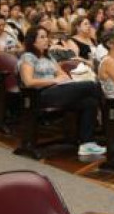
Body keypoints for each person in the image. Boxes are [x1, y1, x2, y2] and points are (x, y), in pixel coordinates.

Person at [19, 26, 105, 158]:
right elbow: (28, 82)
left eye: (46, 36)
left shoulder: (48, 57)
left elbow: (62, 75)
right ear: (33, 41)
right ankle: (108, 121)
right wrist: (54, 80)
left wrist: (61, 79)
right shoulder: (28, 57)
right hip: (40, 94)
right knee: (91, 85)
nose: (46, 39)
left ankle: (87, 143)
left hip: (58, 90)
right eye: (42, 37)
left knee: (90, 102)